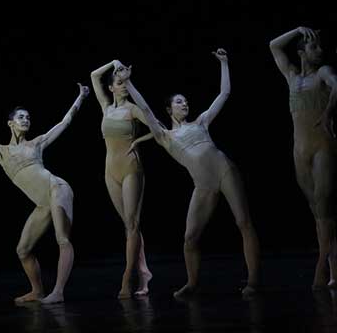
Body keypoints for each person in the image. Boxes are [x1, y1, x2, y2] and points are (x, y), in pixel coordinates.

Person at [120, 49, 260, 297]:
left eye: (185, 101)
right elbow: (146, 109)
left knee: (243, 222)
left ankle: (253, 280)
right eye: (179, 102)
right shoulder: (165, 136)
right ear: (169, 109)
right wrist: (129, 83)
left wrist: (224, 63)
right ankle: (193, 282)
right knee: (190, 238)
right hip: (203, 185)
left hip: (224, 169)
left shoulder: (201, 122)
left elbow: (224, 94)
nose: (184, 104)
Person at [0, 83, 90, 304]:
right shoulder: (0, 152)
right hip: (43, 204)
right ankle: (37, 291)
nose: (25, 120)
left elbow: (65, 122)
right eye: (21, 117)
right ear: (10, 123)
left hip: (57, 189)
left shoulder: (36, 144)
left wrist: (81, 97)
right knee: (23, 250)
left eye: (28, 117)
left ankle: (58, 292)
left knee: (62, 238)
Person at [269, 27, 336, 289]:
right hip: (300, 151)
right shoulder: (291, 76)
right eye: (313, 46)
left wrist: (328, 112)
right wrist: (298, 29)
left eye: (320, 46)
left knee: (323, 206)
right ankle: (334, 270)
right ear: (301, 53)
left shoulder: (323, 72)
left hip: (323, 147)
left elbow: (336, 85)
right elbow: (273, 45)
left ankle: (321, 265)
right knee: (319, 213)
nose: (319, 50)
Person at [90, 60, 153, 297]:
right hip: (110, 171)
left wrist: (139, 140)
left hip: (130, 168)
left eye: (126, 82)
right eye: (119, 83)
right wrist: (114, 62)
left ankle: (128, 278)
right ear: (111, 88)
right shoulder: (106, 107)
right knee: (129, 226)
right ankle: (144, 272)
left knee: (132, 224)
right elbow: (94, 75)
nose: (124, 86)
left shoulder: (132, 109)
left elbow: (157, 126)